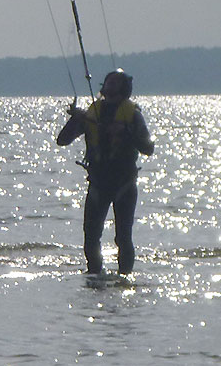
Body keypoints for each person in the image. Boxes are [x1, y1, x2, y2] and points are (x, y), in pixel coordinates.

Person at [57, 69, 155, 274]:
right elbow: (62, 140)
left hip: (124, 183)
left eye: (115, 82)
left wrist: (126, 132)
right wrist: (76, 119)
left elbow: (148, 148)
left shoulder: (133, 115)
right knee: (91, 235)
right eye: (108, 80)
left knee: (123, 236)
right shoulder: (92, 113)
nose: (109, 84)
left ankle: (124, 276)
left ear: (124, 88)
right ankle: (94, 274)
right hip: (98, 182)